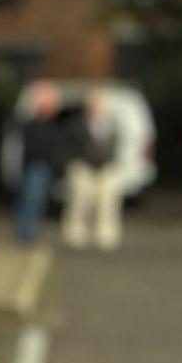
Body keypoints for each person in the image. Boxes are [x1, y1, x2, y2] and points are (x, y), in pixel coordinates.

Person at [62, 90, 124, 249]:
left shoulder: (112, 124)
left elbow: (116, 146)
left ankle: (106, 236)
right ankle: (75, 235)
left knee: (108, 204)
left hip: (106, 168)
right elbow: (68, 146)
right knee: (79, 203)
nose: (96, 108)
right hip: (83, 167)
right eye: (93, 104)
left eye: (99, 104)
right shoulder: (76, 124)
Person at [15, 80, 64, 244]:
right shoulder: (33, 125)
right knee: (31, 201)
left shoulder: (49, 124)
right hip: (36, 167)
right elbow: (36, 147)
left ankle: (29, 233)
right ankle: (25, 234)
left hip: (43, 167)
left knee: (37, 202)